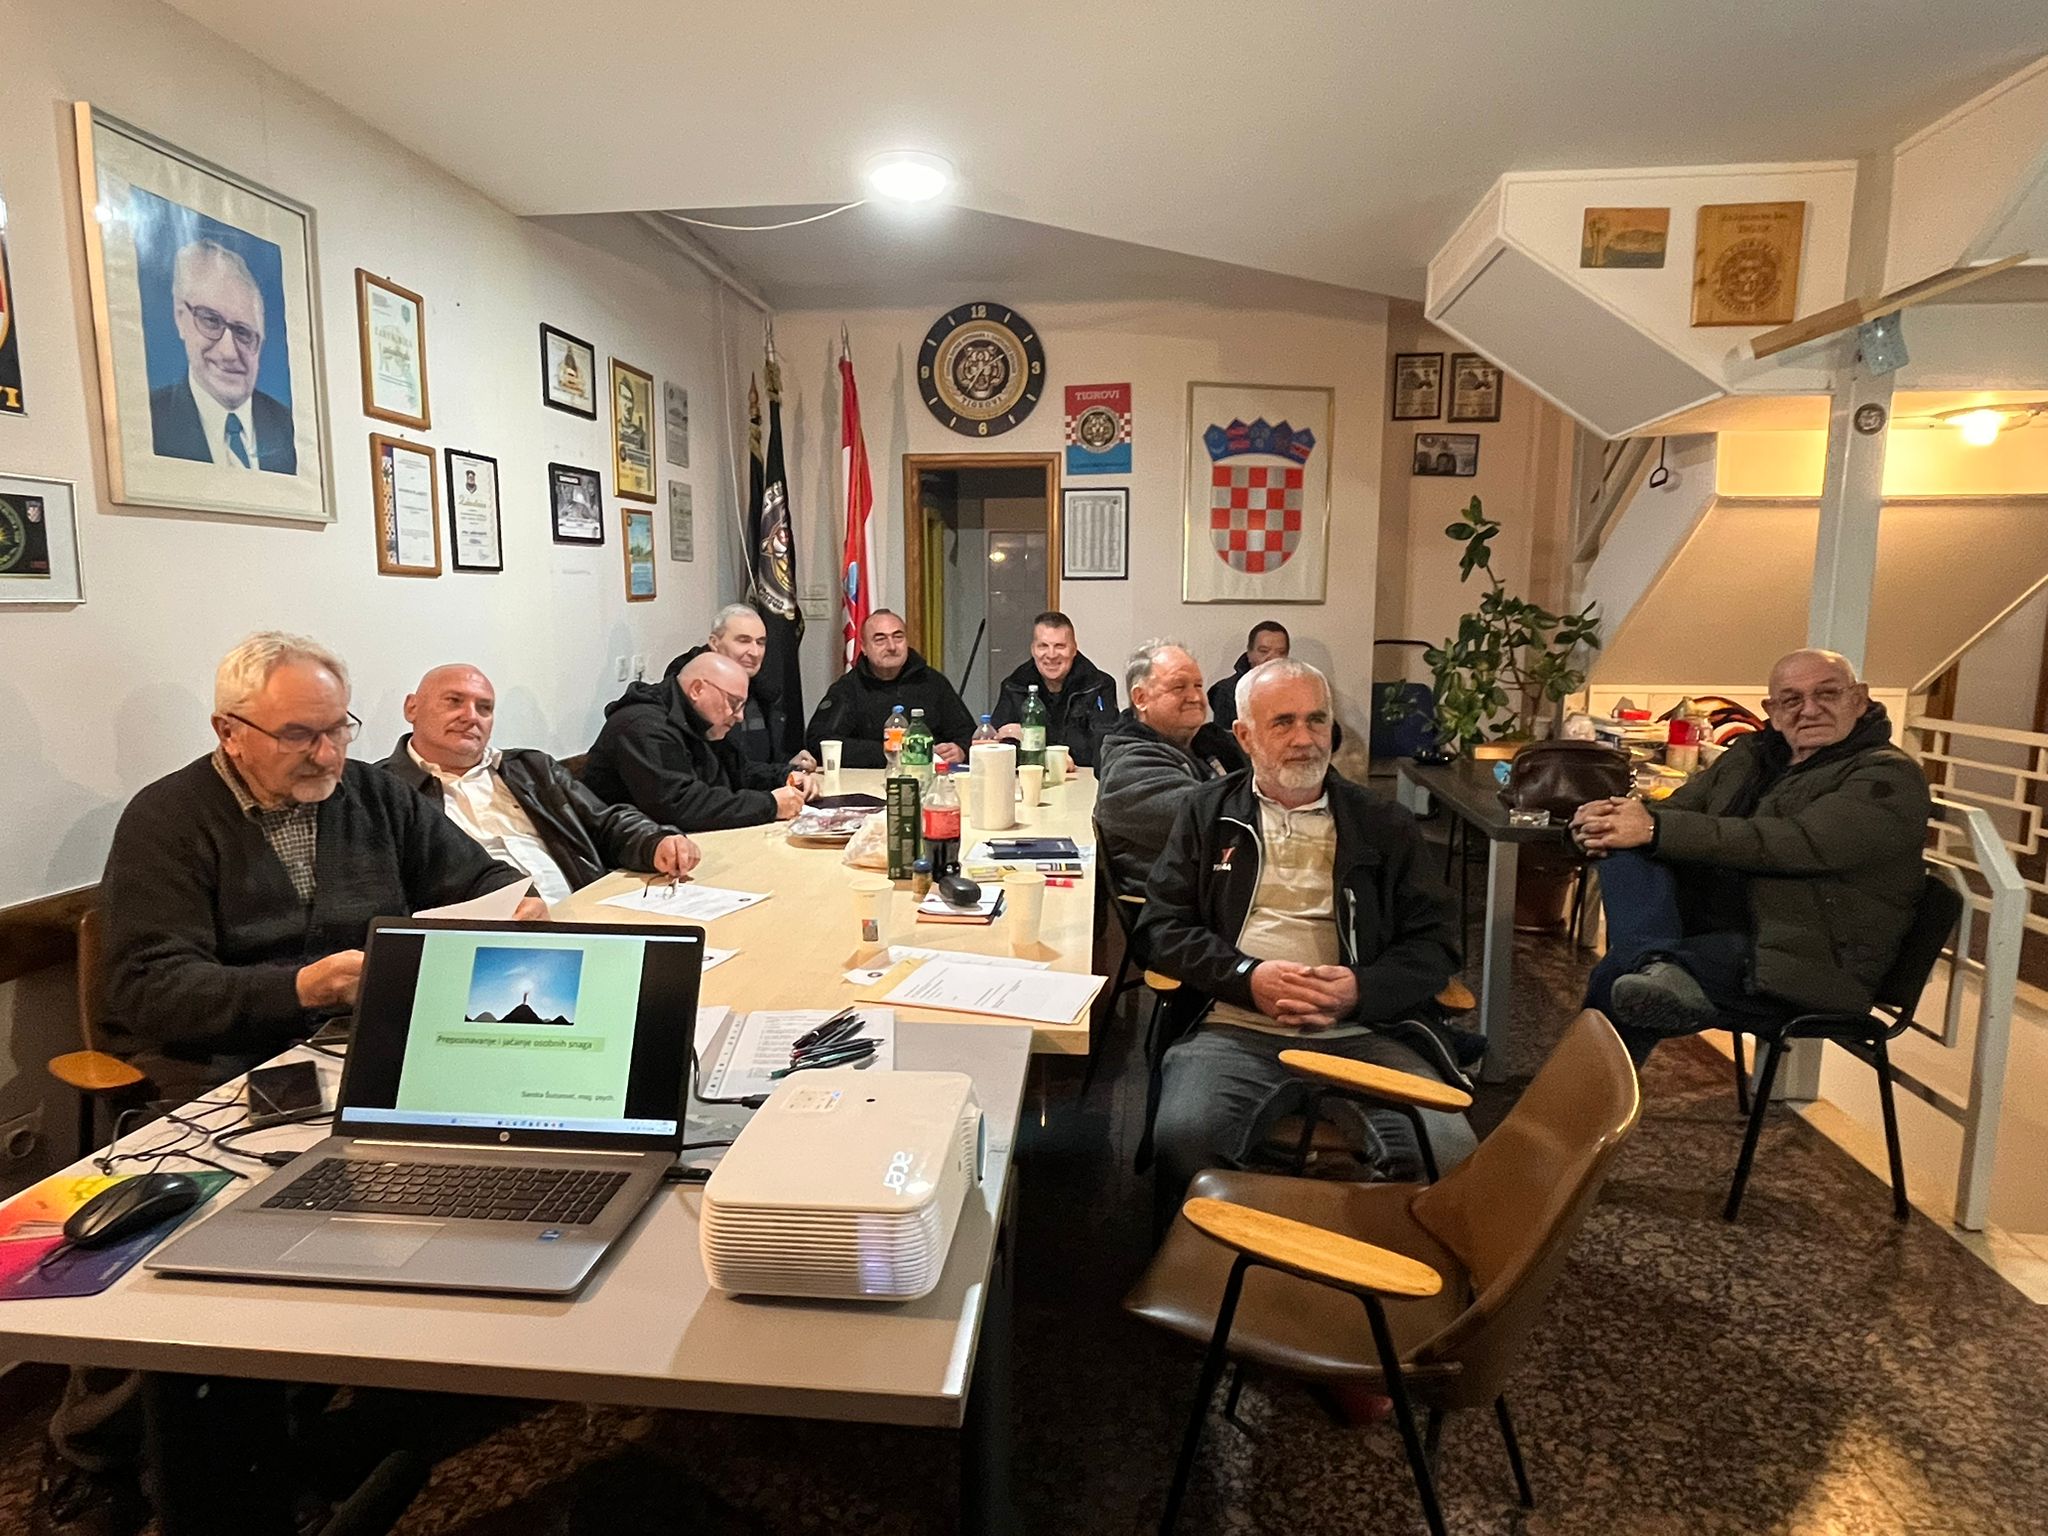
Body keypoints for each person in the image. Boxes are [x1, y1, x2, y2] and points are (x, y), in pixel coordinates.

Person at [43, 633, 532, 1536]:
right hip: (219, 1067)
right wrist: (300, 988)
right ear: (229, 732)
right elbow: (145, 987)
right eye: (300, 735)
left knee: (504, 1151)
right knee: (189, 1235)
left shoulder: (372, 793)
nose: (328, 755)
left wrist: (513, 904)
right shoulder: (168, 819)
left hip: (362, 1047)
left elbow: (482, 877)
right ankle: (94, 1455)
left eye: (339, 729)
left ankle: (346, 1394)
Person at [1139, 658, 1476, 1206]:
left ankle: (1374, 1257)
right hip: (1235, 1026)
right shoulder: (1207, 814)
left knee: (1447, 1152)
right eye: (1283, 723)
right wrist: (1246, 977)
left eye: (1316, 720)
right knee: (1186, 1139)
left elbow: (1437, 943)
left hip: (1364, 1031)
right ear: (1244, 736)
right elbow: (1160, 928)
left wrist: (1360, 989)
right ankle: (1226, 1255)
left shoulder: (1382, 823)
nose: (1305, 739)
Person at [1574, 648, 1932, 1066]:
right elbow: (1675, 811)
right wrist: (1606, 822)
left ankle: (1578, 1097)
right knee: (1625, 853)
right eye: (1792, 699)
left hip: (1806, 954)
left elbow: (1798, 842)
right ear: (1772, 711)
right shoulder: (1751, 756)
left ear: (1859, 699)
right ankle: (1655, 963)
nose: (1809, 709)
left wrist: (1653, 829)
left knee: (1619, 979)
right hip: (1720, 929)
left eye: (1827, 694)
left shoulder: (1888, 775)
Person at [380, 663, 701, 902]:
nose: (471, 716)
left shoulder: (530, 768)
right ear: (412, 708)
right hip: (479, 942)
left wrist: (655, 842)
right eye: (454, 701)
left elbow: (605, 822)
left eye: (484, 708)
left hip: (584, 912)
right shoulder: (383, 792)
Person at [583, 651, 813, 831]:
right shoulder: (642, 726)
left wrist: (785, 776)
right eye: (734, 703)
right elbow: (680, 805)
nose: (740, 716)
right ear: (697, 689)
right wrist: (770, 805)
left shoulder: (700, 719)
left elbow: (738, 772)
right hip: (630, 860)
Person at [1095, 641, 1246, 897]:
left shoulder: (1208, 745)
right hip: (1186, 910)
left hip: (1225, 891)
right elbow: (1219, 823)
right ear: (1140, 698)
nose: (1195, 697)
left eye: (1198, 685)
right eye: (1179, 687)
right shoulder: (1130, 768)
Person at [147, 238, 296, 474]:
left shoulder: (290, 428)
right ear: (180, 317)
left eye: (243, 332)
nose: (229, 352)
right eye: (211, 320)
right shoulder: (149, 420)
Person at [805, 609, 975, 768]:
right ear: (864, 647)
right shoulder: (848, 688)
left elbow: (969, 734)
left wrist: (960, 750)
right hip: (868, 779)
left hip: (929, 777)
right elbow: (819, 742)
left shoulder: (932, 682)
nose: (892, 647)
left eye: (898, 637)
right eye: (880, 639)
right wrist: (893, 753)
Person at [664, 602, 812, 771]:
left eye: (760, 643)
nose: (755, 652)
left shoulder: (765, 689)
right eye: (744, 641)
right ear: (714, 643)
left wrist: (788, 767)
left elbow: (758, 763)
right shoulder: (693, 691)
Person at [989, 610, 1119, 767]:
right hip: (1028, 777)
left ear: (1074, 649)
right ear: (1033, 650)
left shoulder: (1099, 686)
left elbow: (1104, 748)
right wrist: (1051, 758)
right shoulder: (1014, 686)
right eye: (1043, 646)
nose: (1051, 655)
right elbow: (998, 748)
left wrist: (1030, 739)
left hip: (1085, 778)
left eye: (1060, 646)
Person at [1208, 620, 1344, 748]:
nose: (1272, 658)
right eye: (1264, 651)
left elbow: (1330, 734)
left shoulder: (1302, 687)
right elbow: (1225, 746)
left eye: (1280, 652)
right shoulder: (1227, 691)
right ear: (1249, 654)